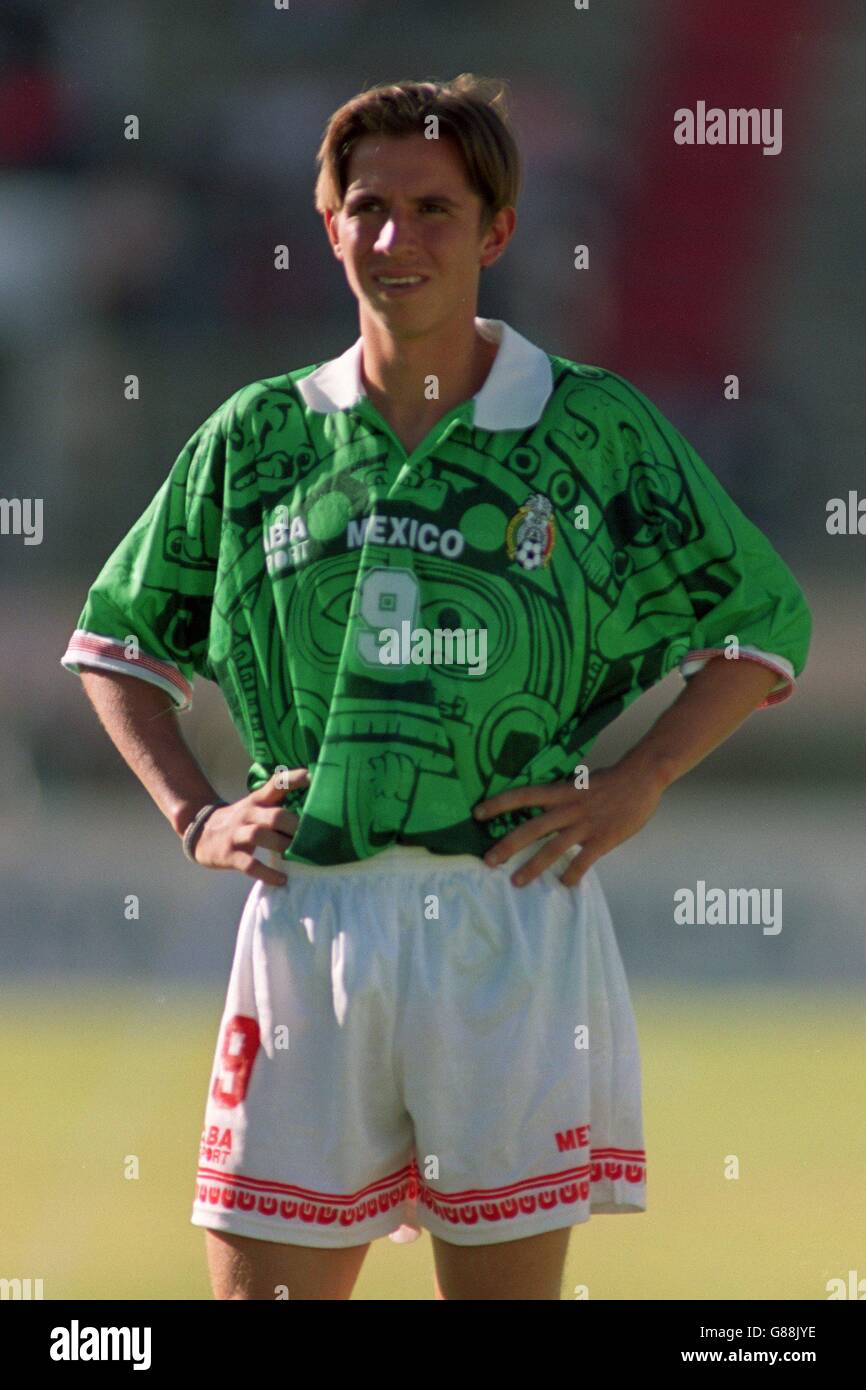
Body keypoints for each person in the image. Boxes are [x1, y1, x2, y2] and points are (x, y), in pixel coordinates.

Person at [60, 74, 812, 1301]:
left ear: (497, 231)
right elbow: (116, 640)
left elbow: (763, 621)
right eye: (366, 207)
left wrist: (637, 780)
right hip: (309, 923)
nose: (394, 238)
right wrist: (197, 815)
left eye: (432, 209)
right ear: (328, 224)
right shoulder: (260, 436)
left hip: (503, 919)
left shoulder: (591, 430)